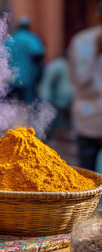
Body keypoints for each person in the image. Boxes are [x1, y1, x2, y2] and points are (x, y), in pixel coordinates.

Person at [68, 1, 102, 172]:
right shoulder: (83, 41)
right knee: (87, 175)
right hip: (88, 120)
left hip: (87, 117)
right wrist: (96, 52)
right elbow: (80, 79)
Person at [6, 16, 45, 104]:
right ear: (28, 26)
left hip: (10, 79)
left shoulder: (11, 38)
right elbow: (39, 55)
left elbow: (1, 55)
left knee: (8, 108)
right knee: (26, 107)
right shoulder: (32, 38)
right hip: (26, 79)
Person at [38, 53, 74, 139]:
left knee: (61, 121)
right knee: (52, 122)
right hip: (54, 100)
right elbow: (47, 82)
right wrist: (46, 98)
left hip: (66, 100)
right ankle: (47, 139)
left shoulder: (72, 65)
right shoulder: (58, 65)